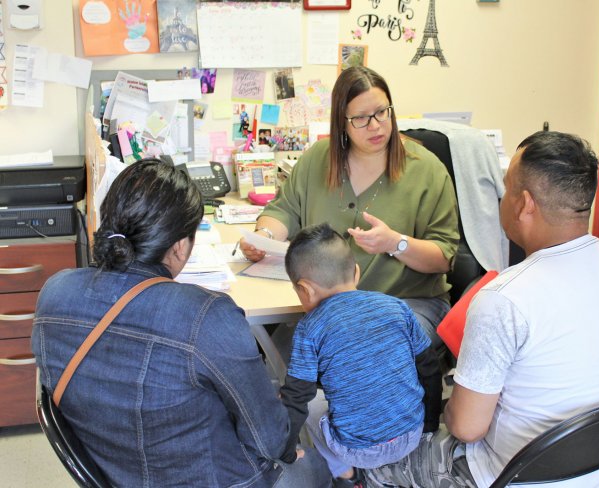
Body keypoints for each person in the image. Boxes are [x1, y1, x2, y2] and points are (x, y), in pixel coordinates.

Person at [364, 131, 599, 488]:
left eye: (506, 187)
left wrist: (451, 401)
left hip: (515, 477)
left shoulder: (505, 297)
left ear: (524, 204)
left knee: (370, 459)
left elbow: (466, 429)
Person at [32, 160, 331, 488]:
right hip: (216, 480)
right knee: (319, 462)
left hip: (111, 474)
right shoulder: (205, 315)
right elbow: (270, 442)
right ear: (179, 246)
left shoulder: (55, 292)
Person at [240, 66, 459, 345]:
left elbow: (444, 256)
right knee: (265, 348)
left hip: (406, 304)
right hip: (328, 305)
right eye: (361, 119)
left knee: (351, 349)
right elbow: (284, 210)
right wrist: (264, 238)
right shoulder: (318, 159)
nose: (376, 125)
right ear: (341, 122)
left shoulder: (426, 170)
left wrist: (395, 243)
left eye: (382, 112)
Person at [278, 223, 443, 487]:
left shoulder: (309, 329)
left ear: (304, 289)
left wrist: (284, 453)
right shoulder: (396, 307)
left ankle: (346, 474)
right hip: (412, 435)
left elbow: (296, 398)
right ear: (356, 272)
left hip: (358, 451)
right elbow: (430, 367)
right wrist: (430, 424)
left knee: (309, 402)